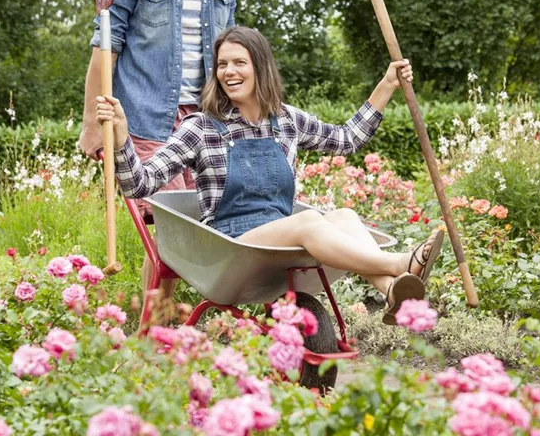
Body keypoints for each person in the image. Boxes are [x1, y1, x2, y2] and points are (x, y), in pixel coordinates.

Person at [96, 26, 440, 324]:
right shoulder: (201, 128)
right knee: (308, 223)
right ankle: (399, 263)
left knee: (345, 216)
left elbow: (346, 139)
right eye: (222, 64)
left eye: (239, 62)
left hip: (279, 244)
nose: (229, 71)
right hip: (232, 247)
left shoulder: (287, 121)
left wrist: (387, 85)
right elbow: (139, 183)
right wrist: (123, 136)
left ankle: (393, 290)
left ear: (260, 67)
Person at [79, 0, 239, 300]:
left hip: (208, 118)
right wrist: (94, 123)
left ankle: (200, 323)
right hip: (148, 117)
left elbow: (230, 51)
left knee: (216, 225)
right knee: (169, 228)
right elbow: (105, 45)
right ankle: (157, 336)